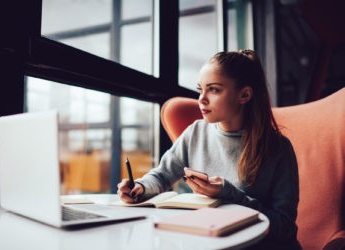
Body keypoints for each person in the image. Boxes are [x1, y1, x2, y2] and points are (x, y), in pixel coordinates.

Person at [117, 50, 300, 249]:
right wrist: (140, 188)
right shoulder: (195, 132)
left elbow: (284, 228)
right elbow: (161, 176)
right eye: (200, 89)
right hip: (210, 242)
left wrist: (227, 193)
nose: (201, 99)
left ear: (245, 95)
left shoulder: (278, 148)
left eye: (213, 90)